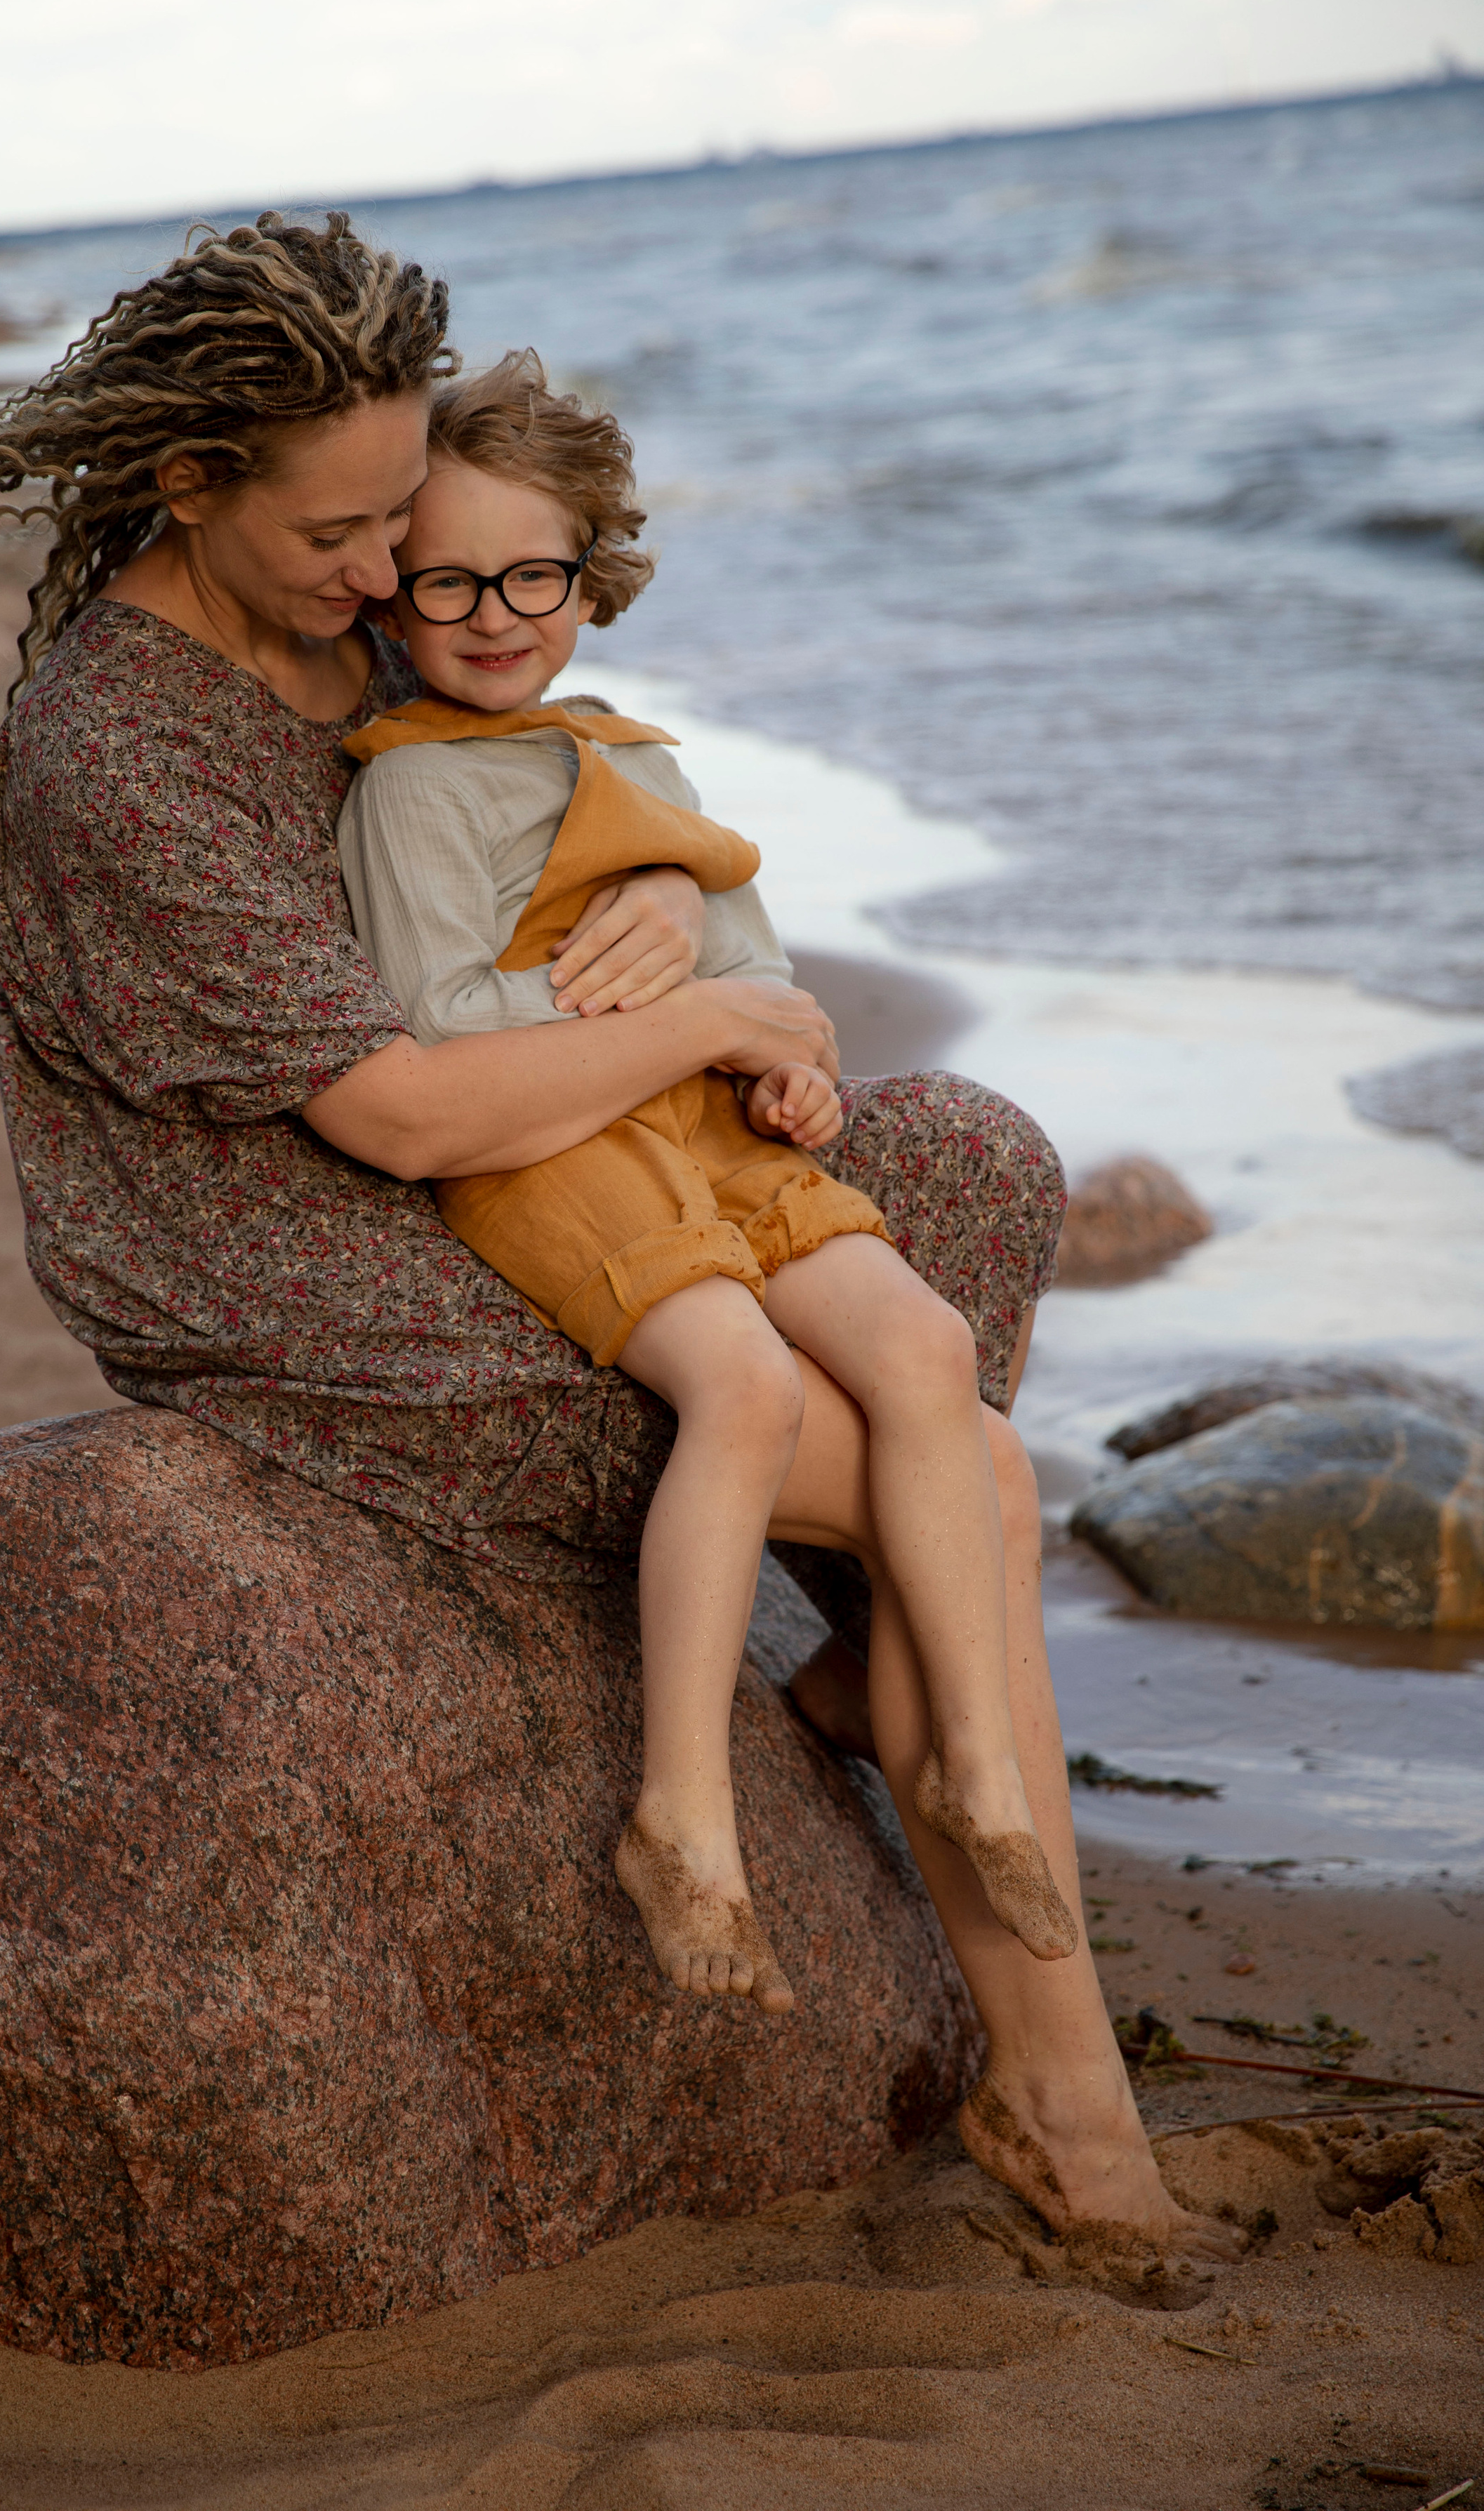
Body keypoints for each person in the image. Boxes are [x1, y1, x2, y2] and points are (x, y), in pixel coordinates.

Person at [0, 210, 1236, 2262]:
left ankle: (858, 1664)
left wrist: (657, 920)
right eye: (345, 535)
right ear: (187, 482)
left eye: (407, 522)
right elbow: (397, 1101)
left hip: (537, 1139)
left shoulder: (387, 610)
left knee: (970, 1153)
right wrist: (708, 1021)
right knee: (967, 1473)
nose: (388, 580)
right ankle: (1068, 2105)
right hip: (300, 1261)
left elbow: (542, 821)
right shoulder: (120, 753)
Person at [337, 353, 1078, 2015]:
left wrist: (785, 1062)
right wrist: (675, 1008)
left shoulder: (641, 764)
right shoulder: (407, 789)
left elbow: (772, 984)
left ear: (588, 572)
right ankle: (682, 1812)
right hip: (557, 1149)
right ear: (392, 596)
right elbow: (440, 1023)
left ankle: (971, 1754)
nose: (493, 612)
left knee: (925, 1355)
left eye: (532, 572)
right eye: (446, 579)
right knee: (737, 1386)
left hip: (722, 1135)